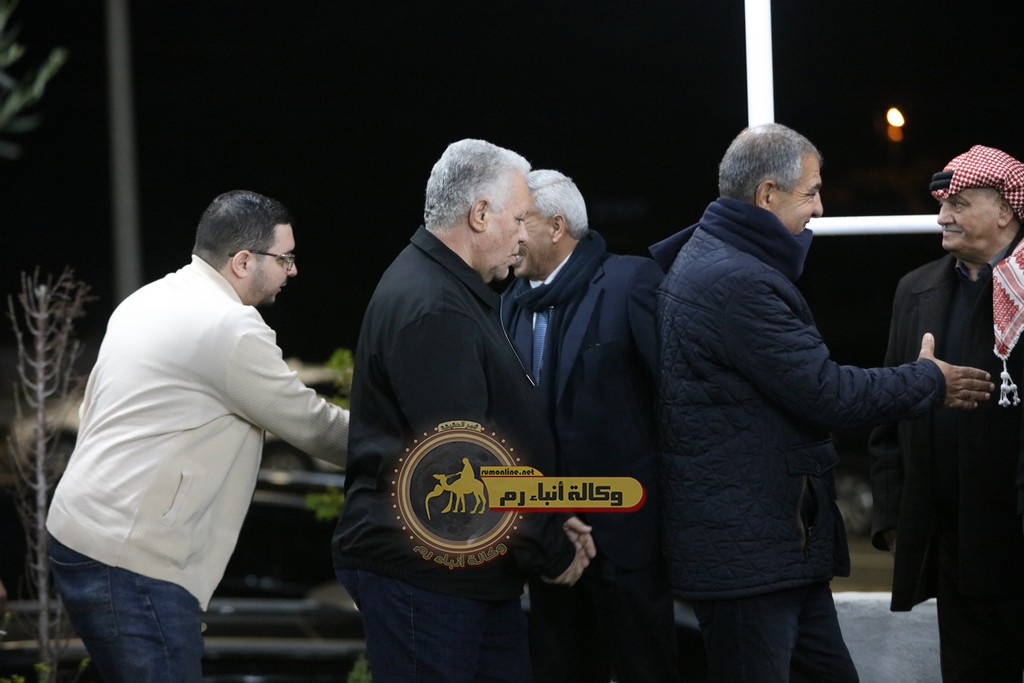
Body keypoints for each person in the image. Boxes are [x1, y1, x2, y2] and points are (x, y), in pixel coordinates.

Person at [648, 123, 995, 683]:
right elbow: (828, 394)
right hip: (751, 558)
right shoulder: (738, 282)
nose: (820, 207)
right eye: (811, 192)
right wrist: (930, 381)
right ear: (767, 194)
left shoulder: (717, 259)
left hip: (772, 548)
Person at [46, 190, 350, 682]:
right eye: (285, 258)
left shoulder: (150, 297)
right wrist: (417, 449)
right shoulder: (230, 329)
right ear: (243, 261)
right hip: (134, 563)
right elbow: (315, 425)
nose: (293, 270)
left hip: (79, 532)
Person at [332, 139, 594, 683]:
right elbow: (468, 459)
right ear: (479, 214)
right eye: (518, 218)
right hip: (428, 580)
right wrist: (548, 546)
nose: (522, 235)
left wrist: (543, 514)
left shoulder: (448, 291)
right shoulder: (433, 306)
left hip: (463, 573)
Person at [501, 169, 679, 682]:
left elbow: (676, 404)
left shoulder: (631, 281)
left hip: (628, 543)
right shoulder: (509, 303)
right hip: (550, 543)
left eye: (520, 221)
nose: (510, 234)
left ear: (557, 227)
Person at [869, 144, 1024, 682]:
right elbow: (889, 412)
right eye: (941, 204)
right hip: (960, 546)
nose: (942, 217)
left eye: (958, 204)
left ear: (1005, 210)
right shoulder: (916, 290)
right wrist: (892, 517)